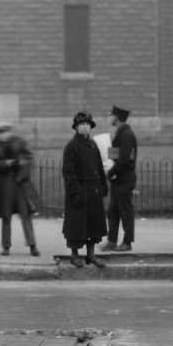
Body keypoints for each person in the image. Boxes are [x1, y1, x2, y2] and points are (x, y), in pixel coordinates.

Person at [62, 111, 108, 268]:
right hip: (79, 192)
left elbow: (99, 167)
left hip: (93, 191)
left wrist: (103, 185)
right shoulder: (72, 146)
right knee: (77, 225)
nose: (85, 127)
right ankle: (74, 255)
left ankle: (91, 255)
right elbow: (68, 172)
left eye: (88, 125)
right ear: (76, 127)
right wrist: (75, 192)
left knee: (93, 225)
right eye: (81, 125)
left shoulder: (93, 145)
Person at [0, 122, 41, 257]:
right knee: (6, 215)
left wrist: (22, 174)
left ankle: (32, 245)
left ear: (9, 132)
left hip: (20, 183)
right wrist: (6, 163)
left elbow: (28, 157)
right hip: (3, 184)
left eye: (4, 132)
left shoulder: (20, 142)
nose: (2, 136)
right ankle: (6, 246)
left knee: (25, 214)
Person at [102, 105, 137, 252]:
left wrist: (111, 171)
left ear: (117, 118)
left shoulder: (126, 134)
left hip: (124, 178)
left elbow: (124, 159)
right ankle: (112, 241)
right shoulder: (121, 133)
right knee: (113, 211)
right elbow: (116, 155)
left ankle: (127, 242)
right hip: (118, 179)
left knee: (125, 212)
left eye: (111, 116)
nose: (109, 118)